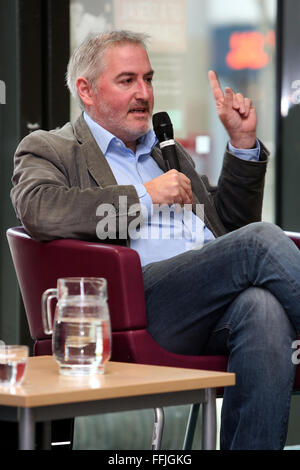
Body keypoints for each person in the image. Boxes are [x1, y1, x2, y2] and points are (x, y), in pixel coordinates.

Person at [11, 30, 300, 450]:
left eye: (148, 78)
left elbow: (229, 230)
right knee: (260, 243)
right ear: (86, 90)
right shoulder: (51, 148)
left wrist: (241, 145)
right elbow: (39, 208)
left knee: (264, 308)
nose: (144, 92)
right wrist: (146, 195)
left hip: (204, 304)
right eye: (127, 80)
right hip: (134, 307)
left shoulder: (166, 152)